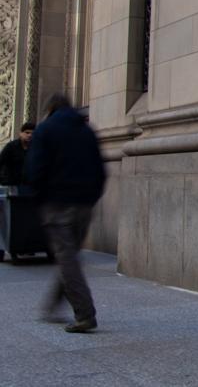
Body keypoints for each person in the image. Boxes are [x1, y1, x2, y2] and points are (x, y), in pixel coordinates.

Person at [25, 93, 106, 333]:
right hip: (84, 204)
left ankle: (85, 314)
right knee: (68, 255)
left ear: (49, 109)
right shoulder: (87, 131)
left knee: (66, 257)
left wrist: (40, 198)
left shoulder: (46, 130)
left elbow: (35, 169)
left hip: (57, 204)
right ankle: (51, 306)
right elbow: (101, 170)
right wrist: (91, 197)